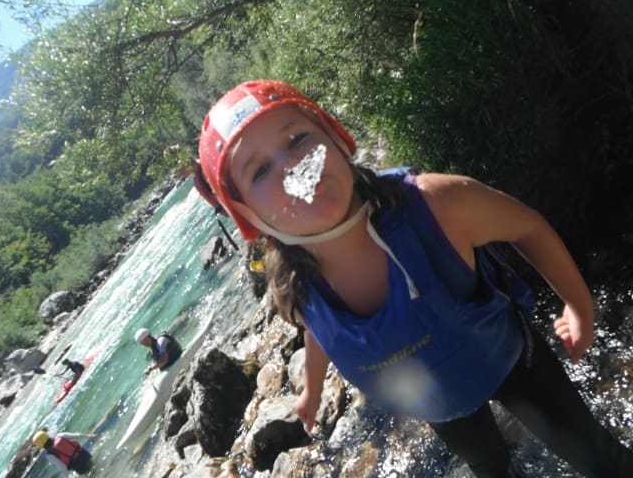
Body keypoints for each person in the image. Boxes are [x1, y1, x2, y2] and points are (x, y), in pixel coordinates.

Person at [193, 80, 633, 477]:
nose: (290, 166)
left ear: (337, 138)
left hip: (513, 362)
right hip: (444, 410)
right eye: (259, 171)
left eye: (297, 138)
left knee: (598, 459)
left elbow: (528, 227)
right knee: (491, 467)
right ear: (249, 218)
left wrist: (579, 305)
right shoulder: (298, 285)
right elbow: (320, 332)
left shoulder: (435, 207)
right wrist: (310, 391)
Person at [31, 429, 97, 477]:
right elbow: (76, 435)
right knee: (94, 466)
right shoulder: (60, 436)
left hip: (78, 465)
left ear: (40, 445)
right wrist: (89, 436)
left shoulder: (49, 455)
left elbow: (62, 467)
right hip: (84, 454)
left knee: (92, 474)